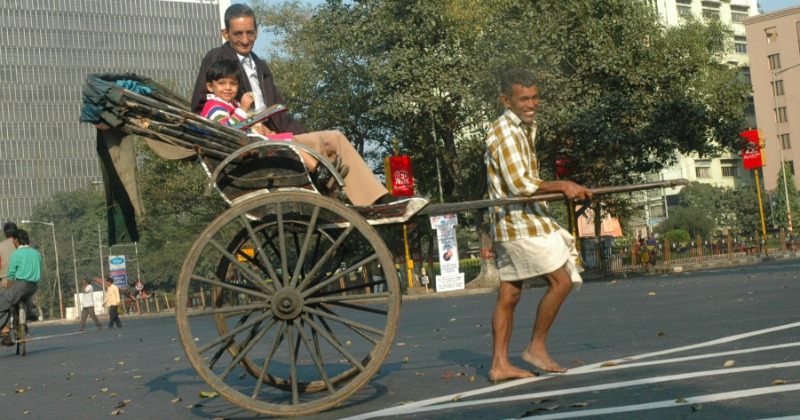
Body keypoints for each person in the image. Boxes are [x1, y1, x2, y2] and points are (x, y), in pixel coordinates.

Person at [191, 4, 418, 207]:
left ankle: (365, 200)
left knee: (332, 139)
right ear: (225, 33)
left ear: (257, 31)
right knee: (323, 146)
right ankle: (368, 201)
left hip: (276, 135)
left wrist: (305, 136)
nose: (244, 39)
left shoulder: (259, 65)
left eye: (250, 32)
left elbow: (280, 112)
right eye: (238, 33)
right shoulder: (218, 59)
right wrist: (248, 125)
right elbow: (202, 105)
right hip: (252, 143)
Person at [484, 69, 592, 381]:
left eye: (534, 97)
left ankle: (499, 365)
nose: (531, 104)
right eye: (523, 99)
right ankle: (536, 347)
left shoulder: (522, 127)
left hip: (523, 218)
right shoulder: (504, 133)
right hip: (517, 223)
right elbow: (520, 184)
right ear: (506, 100)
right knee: (561, 281)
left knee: (510, 293)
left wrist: (566, 188)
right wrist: (563, 184)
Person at [200, 58, 317, 170]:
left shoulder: (229, 104)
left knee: (289, 139)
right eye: (222, 83)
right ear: (210, 87)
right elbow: (226, 130)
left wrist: (259, 129)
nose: (228, 88)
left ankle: (316, 167)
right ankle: (316, 169)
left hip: (247, 147)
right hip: (243, 151)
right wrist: (243, 109)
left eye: (233, 83)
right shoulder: (215, 107)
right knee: (289, 141)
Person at [0, 229, 41, 346]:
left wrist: (8, 290)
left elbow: (11, 275)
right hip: (33, 286)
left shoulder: (16, 254)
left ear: (16, 241)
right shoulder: (36, 253)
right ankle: (30, 311)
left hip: (20, 285)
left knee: (4, 303)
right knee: (25, 296)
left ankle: (3, 331)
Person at [0, 222, 18, 290]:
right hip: (20, 283)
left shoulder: (1, 246)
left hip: (4, 283)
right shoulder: (21, 245)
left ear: (5, 233)